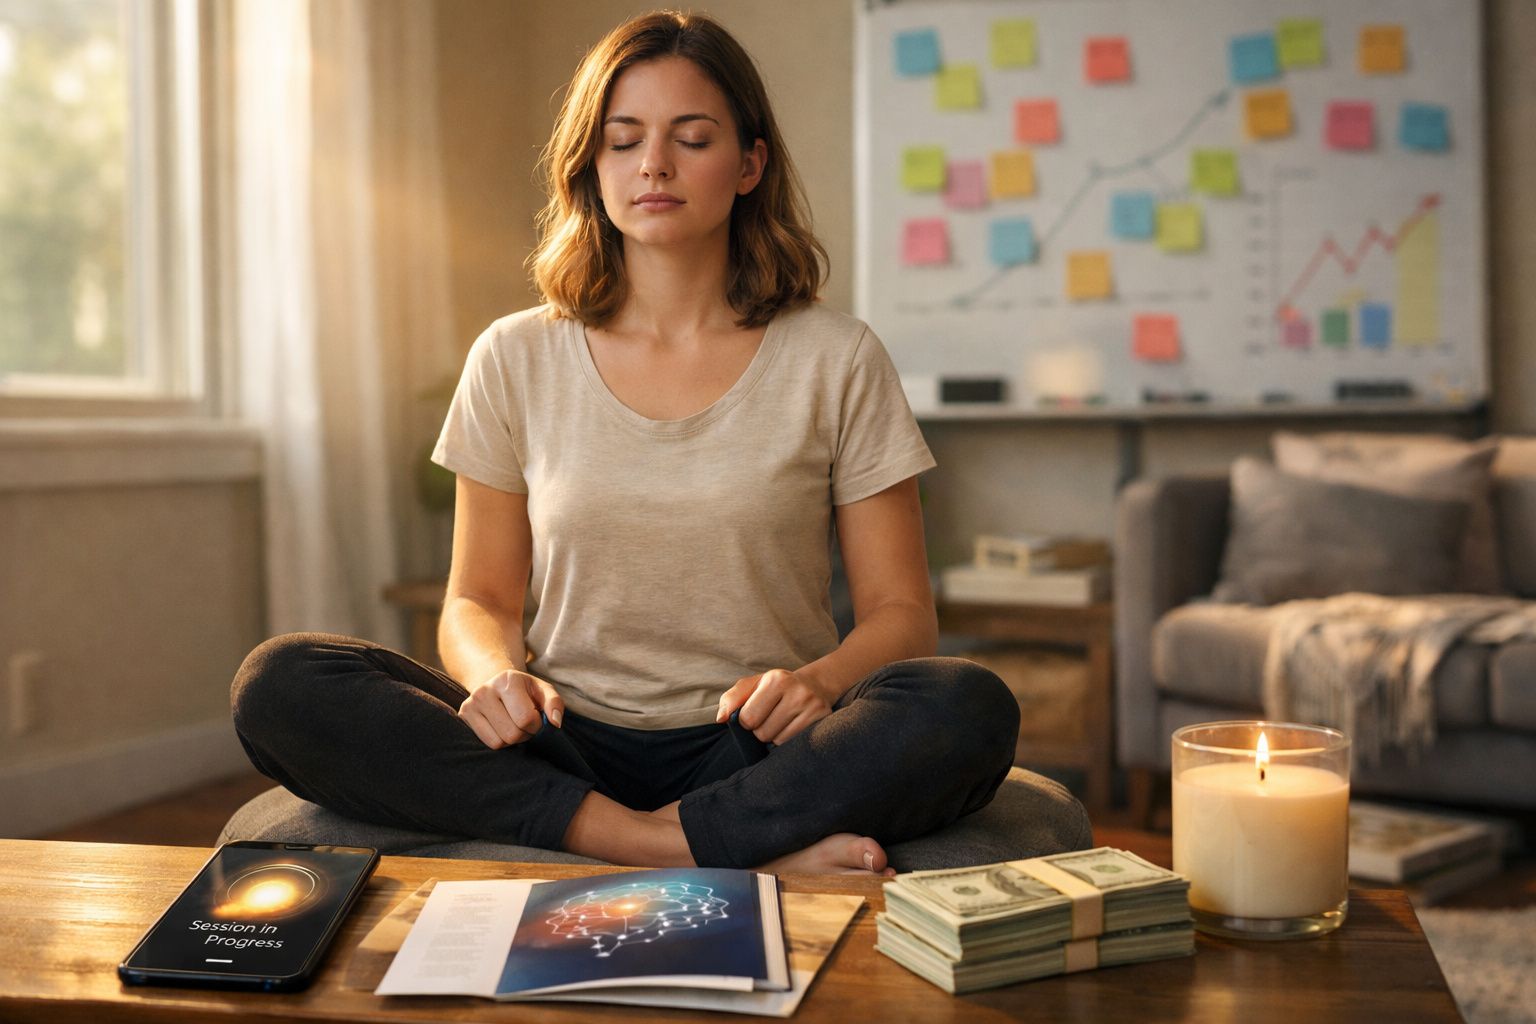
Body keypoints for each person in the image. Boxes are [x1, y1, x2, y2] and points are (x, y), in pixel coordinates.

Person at [231, 10, 1018, 875]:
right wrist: (496, 673)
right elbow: (479, 600)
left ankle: (631, 840)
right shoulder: (514, 354)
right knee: (283, 683)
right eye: (624, 139)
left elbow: (903, 616)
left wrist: (821, 683)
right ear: (590, 167)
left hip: (757, 746)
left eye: (693, 137)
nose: (654, 164)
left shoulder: (837, 357)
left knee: (965, 705)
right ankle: (687, 849)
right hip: (562, 743)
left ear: (750, 164)